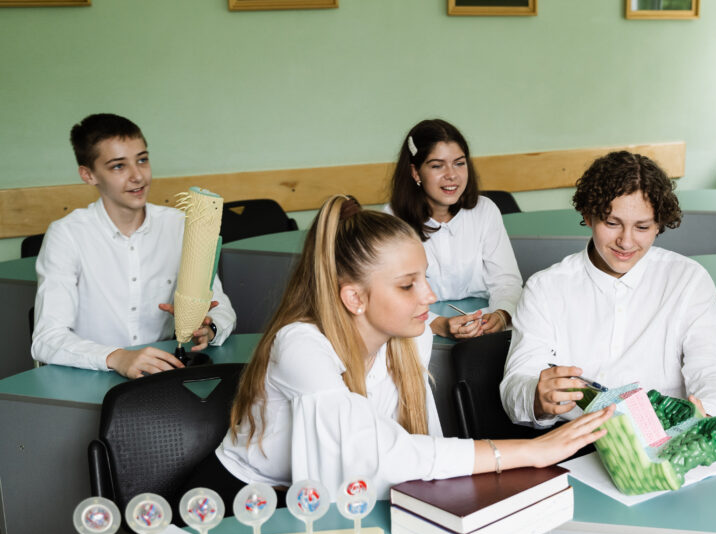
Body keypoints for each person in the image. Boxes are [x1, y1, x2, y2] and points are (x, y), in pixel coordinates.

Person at [193, 196, 611, 506]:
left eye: (425, 277)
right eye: (408, 284)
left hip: (326, 506)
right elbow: (374, 456)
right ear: (354, 298)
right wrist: (532, 451)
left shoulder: (412, 336)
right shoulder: (300, 345)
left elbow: (422, 443)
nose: (430, 295)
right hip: (242, 505)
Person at [500, 151, 716, 428]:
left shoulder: (688, 280)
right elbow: (516, 383)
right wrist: (537, 399)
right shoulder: (545, 288)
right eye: (612, 223)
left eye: (642, 227)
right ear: (588, 216)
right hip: (576, 440)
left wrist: (710, 418)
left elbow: (712, 369)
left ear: (659, 224)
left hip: (668, 436)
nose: (626, 242)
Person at [31, 113, 236, 378]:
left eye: (142, 160)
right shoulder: (67, 234)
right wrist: (117, 358)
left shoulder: (179, 226)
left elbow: (222, 309)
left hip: (163, 376)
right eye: (118, 166)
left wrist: (210, 328)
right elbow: (46, 339)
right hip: (91, 378)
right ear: (88, 175)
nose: (137, 176)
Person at [387, 118, 522, 340]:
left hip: (481, 333)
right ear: (415, 172)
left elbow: (507, 281)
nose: (452, 175)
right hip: (416, 335)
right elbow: (389, 297)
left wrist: (502, 314)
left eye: (459, 163)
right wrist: (437, 324)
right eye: (437, 165)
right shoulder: (392, 220)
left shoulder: (485, 210)